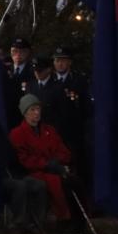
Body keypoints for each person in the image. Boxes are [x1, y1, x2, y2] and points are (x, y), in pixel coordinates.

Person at [9, 94, 86, 234]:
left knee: (74, 181)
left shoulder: (49, 130)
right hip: (35, 171)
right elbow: (25, 159)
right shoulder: (17, 134)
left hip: (55, 167)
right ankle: (64, 220)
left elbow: (63, 151)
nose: (36, 113)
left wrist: (57, 162)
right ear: (25, 113)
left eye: (38, 109)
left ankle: (80, 220)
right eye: (32, 110)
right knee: (58, 183)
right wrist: (47, 164)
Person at [42, 47, 90, 182]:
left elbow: (85, 107)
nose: (60, 64)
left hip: (73, 130)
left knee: (74, 164)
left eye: (63, 60)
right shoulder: (47, 79)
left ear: (70, 62)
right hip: (52, 130)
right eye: (57, 60)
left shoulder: (79, 80)